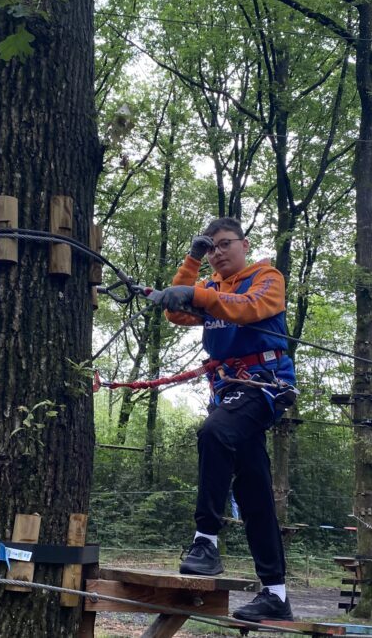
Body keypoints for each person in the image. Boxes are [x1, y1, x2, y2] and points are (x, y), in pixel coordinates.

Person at [149, 217, 297, 622]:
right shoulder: (211, 286)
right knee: (254, 491)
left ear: (243, 244)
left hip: (263, 386)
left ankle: (205, 541)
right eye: (209, 247)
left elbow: (251, 310)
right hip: (227, 390)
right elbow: (178, 315)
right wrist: (191, 263)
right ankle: (276, 594)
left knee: (214, 433)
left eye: (222, 245)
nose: (217, 252)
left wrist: (196, 293)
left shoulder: (265, 277)